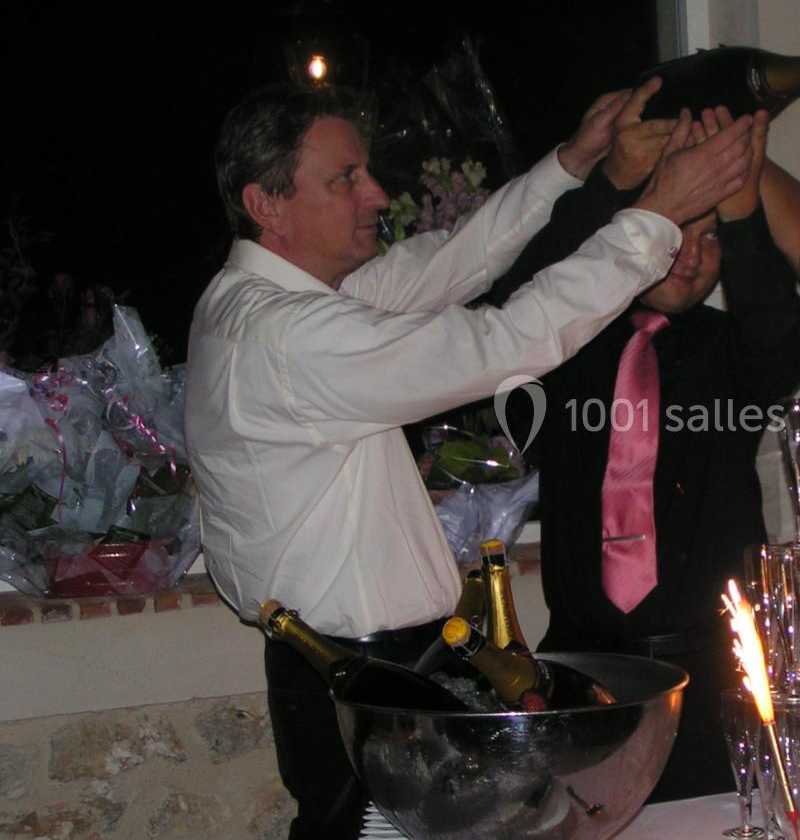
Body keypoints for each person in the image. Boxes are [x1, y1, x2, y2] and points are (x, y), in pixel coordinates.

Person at [184, 80, 756, 839]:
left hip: (368, 670)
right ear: (268, 203)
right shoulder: (289, 338)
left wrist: (570, 163)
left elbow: (451, 264)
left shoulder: (265, 304)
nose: (377, 193)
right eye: (345, 178)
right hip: (356, 677)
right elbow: (503, 343)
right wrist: (653, 217)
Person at [485, 101, 800, 801]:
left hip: (714, 673)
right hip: (585, 666)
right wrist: (613, 185)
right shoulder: (567, 339)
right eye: (677, 233)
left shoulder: (730, 357)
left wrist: (741, 217)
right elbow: (519, 288)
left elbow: (774, 332)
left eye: (711, 244)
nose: (692, 258)